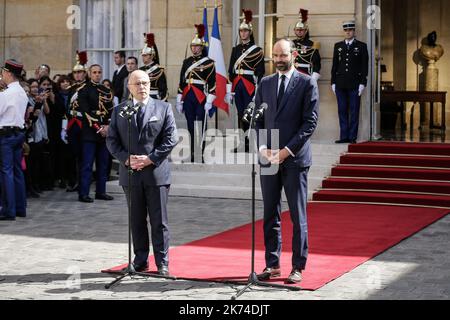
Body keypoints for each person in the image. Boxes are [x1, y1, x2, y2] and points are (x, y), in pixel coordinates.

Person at [254, 39, 319, 284]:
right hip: (268, 158)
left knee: (296, 214)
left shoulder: (306, 82)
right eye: (275, 56)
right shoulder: (265, 82)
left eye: (282, 55)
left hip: (294, 159)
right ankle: (272, 265)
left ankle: (297, 267)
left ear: (292, 54)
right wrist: (262, 148)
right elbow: (259, 119)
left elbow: (309, 123)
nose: (278, 60)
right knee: (270, 213)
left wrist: (286, 151)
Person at [106, 70, 178, 275]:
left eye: (145, 83)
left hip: (156, 173)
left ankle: (162, 262)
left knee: (159, 221)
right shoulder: (120, 110)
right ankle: (140, 260)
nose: (142, 87)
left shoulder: (163, 108)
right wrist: (125, 158)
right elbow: (111, 140)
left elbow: (170, 139)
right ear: (129, 87)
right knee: (136, 220)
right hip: (131, 174)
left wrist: (150, 159)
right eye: (137, 84)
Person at [176, 24, 216, 162]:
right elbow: (182, 81)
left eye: (197, 46)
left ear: (201, 47)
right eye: (192, 46)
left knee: (201, 125)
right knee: (190, 126)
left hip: (201, 97)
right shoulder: (186, 62)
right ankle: (193, 151)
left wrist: (210, 101)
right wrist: (179, 99)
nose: (194, 48)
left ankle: (202, 151)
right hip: (188, 96)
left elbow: (212, 83)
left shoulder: (209, 62)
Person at [227, 9, 265, 153]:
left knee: (249, 113)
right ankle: (242, 142)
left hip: (249, 84)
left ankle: (251, 142)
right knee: (240, 114)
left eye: (245, 31)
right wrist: (230, 88)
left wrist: (259, 88)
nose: (243, 33)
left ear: (250, 32)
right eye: (241, 31)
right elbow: (231, 69)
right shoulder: (235, 49)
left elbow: (260, 71)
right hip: (237, 84)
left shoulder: (257, 50)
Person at [77, 64, 114, 203]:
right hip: (90, 133)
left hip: (104, 132)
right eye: (94, 72)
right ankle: (84, 193)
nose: (97, 75)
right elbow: (86, 112)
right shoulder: (84, 90)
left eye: (99, 72)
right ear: (89, 73)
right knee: (87, 165)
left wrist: (108, 127)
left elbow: (110, 111)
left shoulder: (105, 90)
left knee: (103, 164)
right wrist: (100, 128)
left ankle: (101, 191)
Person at [0, 59, 29, 221]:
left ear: (9, 73)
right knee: (17, 172)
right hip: (18, 134)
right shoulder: (21, 92)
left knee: (6, 173)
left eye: (3, 72)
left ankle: (8, 210)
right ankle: (20, 208)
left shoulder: (7, 94)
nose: (2, 75)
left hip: (6, 135)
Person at [331, 20, 368, 144]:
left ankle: (352, 137)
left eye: (350, 30)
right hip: (340, 83)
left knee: (354, 110)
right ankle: (344, 136)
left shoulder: (362, 46)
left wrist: (363, 83)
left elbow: (364, 66)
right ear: (344, 31)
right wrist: (333, 82)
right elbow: (335, 65)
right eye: (346, 30)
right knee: (342, 110)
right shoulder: (338, 46)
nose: (348, 32)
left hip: (355, 84)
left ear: (354, 31)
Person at [65, 50, 89, 192]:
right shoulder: (72, 88)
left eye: (80, 72)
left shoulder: (88, 87)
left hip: (84, 123)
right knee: (72, 154)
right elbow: (67, 108)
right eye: (75, 73)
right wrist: (64, 127)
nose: (78, 75)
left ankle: (82, 182)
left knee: (82, 155)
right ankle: (73, 180)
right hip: (72, 124)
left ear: (85, 73)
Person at [292, 8, 321, 81]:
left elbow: (316, 63)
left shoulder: (312, 44)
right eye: (297, 30)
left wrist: (313, 79)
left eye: (301, 30)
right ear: (294, 31)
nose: (299, 32)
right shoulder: (290, 44)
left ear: (305, 31)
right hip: (291, 75)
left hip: (306, 74)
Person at [140, 33, 168, 101]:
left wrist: (162, 103)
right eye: (143, 55)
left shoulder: (159, 70)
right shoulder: (140, 70)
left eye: (145, 55)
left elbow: (163, 90)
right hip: (141, 98)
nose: (143, 57)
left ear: (152, 56)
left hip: (154, 98)